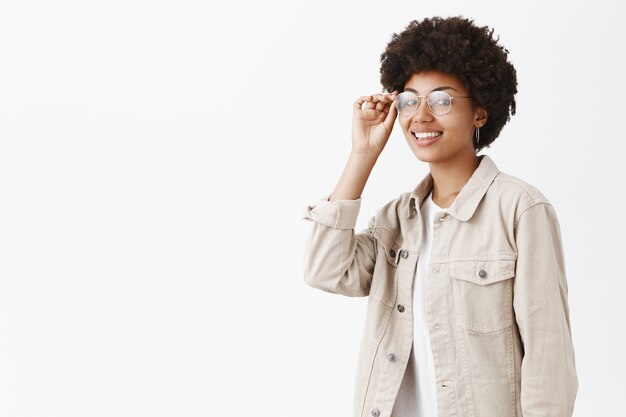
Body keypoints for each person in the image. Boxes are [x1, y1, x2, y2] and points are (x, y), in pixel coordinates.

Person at [301, 16, 578, 417]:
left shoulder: (520, 209)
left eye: (443, 100)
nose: (422, 115)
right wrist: (362, 155)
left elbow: (549, 360)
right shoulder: (397, 219)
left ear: (480, 112)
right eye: (410, 100)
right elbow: (326, 271)